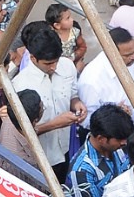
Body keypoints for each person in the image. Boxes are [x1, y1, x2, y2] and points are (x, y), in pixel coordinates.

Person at [13, 25, 85, 181]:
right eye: (48, 63)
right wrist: (54, 124)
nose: (54, 67)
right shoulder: (20, 85)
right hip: (40, 157)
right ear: (33, 58)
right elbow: (20, 132)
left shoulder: (67, 67)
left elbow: (72, 95)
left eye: (56, 61)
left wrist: (77, 104)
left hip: (65, 148)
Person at [69, 105, 134, 197]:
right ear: (101, 139)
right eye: (119, 139)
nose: (124, 143)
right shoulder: (82, 170)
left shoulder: (119, 146)